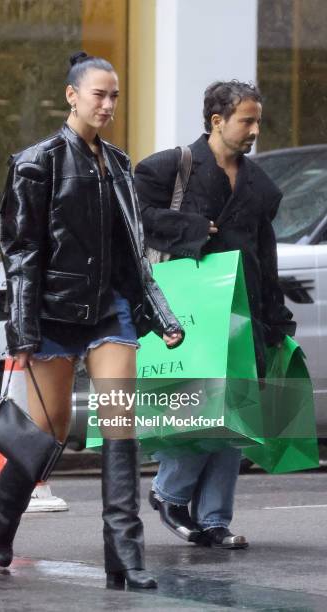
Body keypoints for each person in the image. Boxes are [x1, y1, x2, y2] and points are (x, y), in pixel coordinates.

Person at [0, 51, 184, 589]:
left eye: (115, 95)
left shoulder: (118, 162)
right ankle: (1, 513)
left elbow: (133, 254)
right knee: (49, 431)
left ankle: (126, 557)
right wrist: (23, 333)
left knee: (120, 423)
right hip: (52, 313)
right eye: (99, 94)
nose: (109, 104)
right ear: (72, 95)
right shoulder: (36, 162)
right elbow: (21, 254)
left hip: (110, 313)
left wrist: (159, 313)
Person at [134, 80, 295, 549]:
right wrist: (186, 227)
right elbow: (133, 216)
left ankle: (215, 518)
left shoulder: (259, 185)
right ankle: (169, 493)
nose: (255, 130)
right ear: (217, 121)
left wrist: (276, 320)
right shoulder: (169, 167)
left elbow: (266, 257)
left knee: (235, 415)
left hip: (242, 311)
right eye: (247, 120)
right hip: (188, 312)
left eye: (258, 120)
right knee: (199, 411)